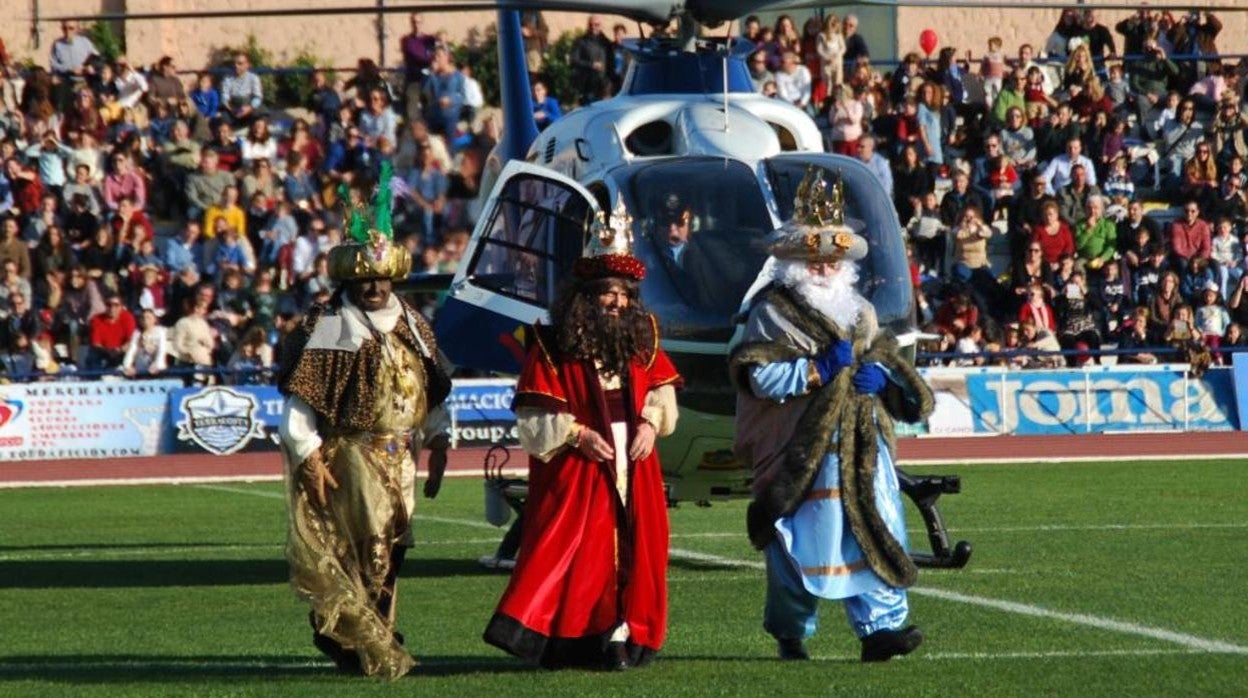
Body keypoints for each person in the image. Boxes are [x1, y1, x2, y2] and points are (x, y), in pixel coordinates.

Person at [729, 170, 932, 663]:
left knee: (877, 531)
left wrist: (884, 381)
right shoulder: (771, 312)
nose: (823, 266)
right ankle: (791, 631)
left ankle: (881, 630)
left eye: (832, 258)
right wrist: (817, 371)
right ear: (796, 259)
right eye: (814, 258)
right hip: (802, 450)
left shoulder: (860, 311)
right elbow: (759, 379)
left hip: (861, 450)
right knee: (801, 550)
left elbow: (888, 361)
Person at [483, 204, 682, 671]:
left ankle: (625, 634)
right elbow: (534, 416)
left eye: (624, 295)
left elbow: (661, 389)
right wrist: (577, 435)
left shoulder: (642, 334)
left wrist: (651, 424)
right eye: (608, 294)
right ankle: (578, 636)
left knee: (635, 544)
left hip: (634, 459)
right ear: (586, 296)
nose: (617, 303)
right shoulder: (552, 342)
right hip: (581, 460)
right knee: (579, 548)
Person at [277, 175, 451, 679]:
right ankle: (361, 636)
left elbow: (434, 387)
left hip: (403, 456)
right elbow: (302, 401)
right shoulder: (332, 326)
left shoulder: (414, 324)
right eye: (365, 281)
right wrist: (308, 454)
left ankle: (374, 629)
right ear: (350, 283)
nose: (375, 288)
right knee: (367, 548)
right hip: (351, 454)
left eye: (382, 280)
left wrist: (438, 440)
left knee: (393, 549)